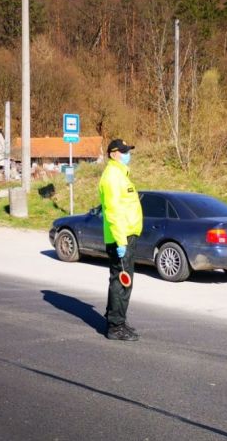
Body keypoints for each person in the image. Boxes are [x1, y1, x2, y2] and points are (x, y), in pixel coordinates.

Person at [99, 139, 143, 341]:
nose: (128, 154)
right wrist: (121, 241)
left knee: (120, 281)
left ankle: (117, 319)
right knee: (122, 282)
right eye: (124, 151)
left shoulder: (120, 175)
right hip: (121, 238)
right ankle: (115, 327)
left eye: (128, 151)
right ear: (113, 154)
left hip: (126, 235)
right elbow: (113, 212)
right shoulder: (112, 177)